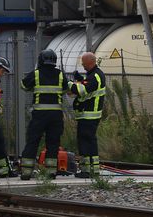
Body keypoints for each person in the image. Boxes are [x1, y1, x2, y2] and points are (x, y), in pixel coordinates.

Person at [19, 49, 72, 180]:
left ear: (41, 60)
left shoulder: (36, 74)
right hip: (56, 115)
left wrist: (34, 88)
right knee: (53, 143)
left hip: (39, 115)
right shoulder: (60, 75)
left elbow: (23, 85)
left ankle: (26, 172)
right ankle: (51, 172)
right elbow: (66, 89)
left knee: (33, 141)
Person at [70, 51, 106, 179]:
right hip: (88, 115)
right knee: (88, 140)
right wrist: (80, 79)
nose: (83, 65)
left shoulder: (95, 76)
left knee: (85, 141)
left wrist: (68, 84)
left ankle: (87, 171)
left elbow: (84, 90)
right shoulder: (94, 75)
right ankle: (92, 169)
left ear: (90, 62)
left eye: (84, 63)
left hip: (89, 115)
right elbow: (88, 86)